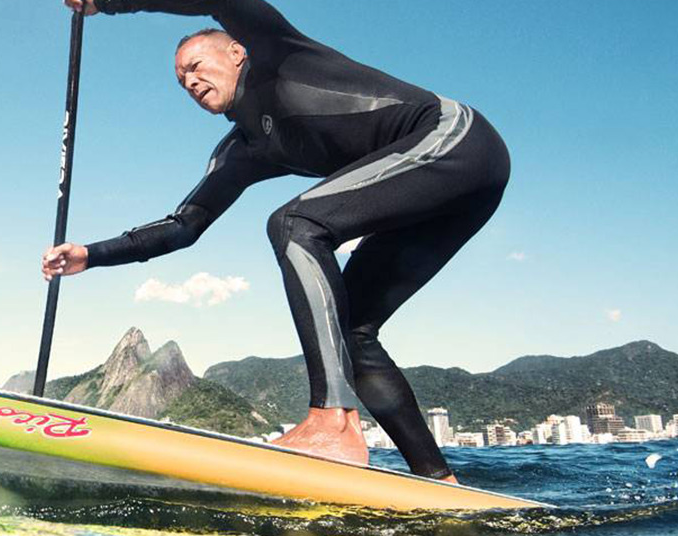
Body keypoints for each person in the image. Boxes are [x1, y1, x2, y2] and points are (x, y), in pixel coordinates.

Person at [41, 0, 509, 484]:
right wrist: (90, 255)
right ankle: (438, 480)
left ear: (238, 52)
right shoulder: (242, 150)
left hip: (454, 140)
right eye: (181, 82)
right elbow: (185, 226)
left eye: (195, 66)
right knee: (352, 332)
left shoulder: (275, 54)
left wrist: (109, 4)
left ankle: (332, 420)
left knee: (294, 223)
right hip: (447, 193)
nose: (190, 82)